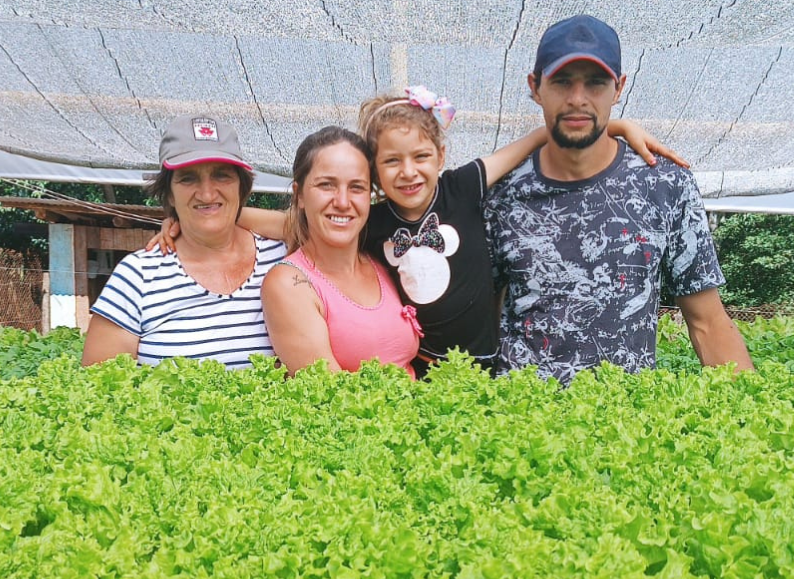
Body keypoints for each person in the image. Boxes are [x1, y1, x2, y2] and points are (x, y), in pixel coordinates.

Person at [150, 92, 681, 377]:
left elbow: (532, 139)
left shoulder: (463, 186)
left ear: (441, 157)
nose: (409, 172)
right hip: (423, 373)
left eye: (421, 157)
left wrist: (612, 126)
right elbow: (289, 222)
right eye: (392, 162)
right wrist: (203, 214)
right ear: (378, 174)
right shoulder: (370, 222)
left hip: (486, 368)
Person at [485, 14, 753, 383]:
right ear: (535, 86)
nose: (577, 99)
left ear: (619, 87)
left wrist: (748, 416)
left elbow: (708, 322)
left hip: (623, 421)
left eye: (595, 84)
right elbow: (480, 321)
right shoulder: (500, 194)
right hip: (522, 423)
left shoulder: (665, 185)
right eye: (562, 82)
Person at [80, 115, 287, 368]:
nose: (207, 192)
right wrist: (216, 211)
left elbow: (326, 225)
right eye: (188, 178)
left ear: (242, 186)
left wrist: (219, 213)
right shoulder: (137, 276)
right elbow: (100, 388)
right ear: (168, 192)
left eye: (222, 176)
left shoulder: (284, 258)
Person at [260, 126, 421, 376]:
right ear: (299, 195)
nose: (343, 202)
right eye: (326, 185)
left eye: (357, 187)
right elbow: (331, 395)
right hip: (372, 415)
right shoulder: (290, 284)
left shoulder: (381, 258)